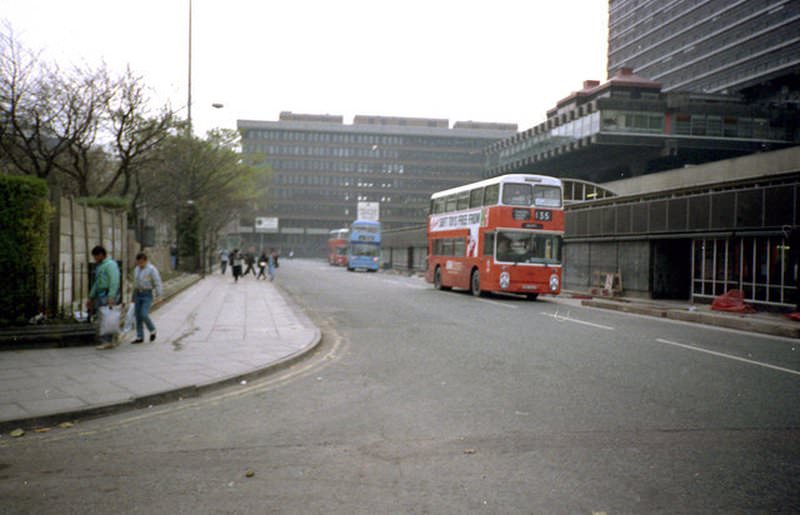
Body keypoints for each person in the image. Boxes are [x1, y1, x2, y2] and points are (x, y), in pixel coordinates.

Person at [87, 245, 121, 350]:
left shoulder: (110, 265)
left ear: (101, 255)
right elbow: (97, 283)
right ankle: (107, 340)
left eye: (95, 256)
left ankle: (107, 341)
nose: (95, 259)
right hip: (100, 295)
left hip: (107, 295)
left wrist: (111, 296)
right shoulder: (100, 266)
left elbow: (114, 281)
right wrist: (90, 297)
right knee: (103, 318)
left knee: (107, 318)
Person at [132, 252, 162, 344]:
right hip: (138, 294)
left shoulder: (152, 269)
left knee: (144, 314)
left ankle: (152, 329)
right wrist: (133, 296)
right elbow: (135, 283)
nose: (140, 264)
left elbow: (157, 283)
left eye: (141, 262)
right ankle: (139, 336)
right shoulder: (136, 269)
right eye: (138, 262)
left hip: (147, 294)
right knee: (137, 316)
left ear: (145, 261)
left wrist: (158, 296)